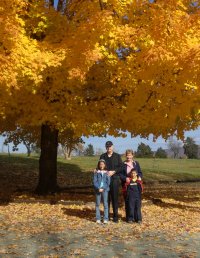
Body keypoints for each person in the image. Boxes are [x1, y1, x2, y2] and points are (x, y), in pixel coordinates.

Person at [100, 141, 123, 223]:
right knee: (106, 199)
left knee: (114, 198)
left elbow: (121, 167)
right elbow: (100, 166)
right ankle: (107, 216)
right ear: (106, 147)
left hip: (114, 180)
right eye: (107, 146)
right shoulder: (102, 156)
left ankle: (115, 216)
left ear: (112, 147)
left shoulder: (117, 156)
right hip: (105, 180)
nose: (108, 148)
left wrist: (114, 171)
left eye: (110, 146)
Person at [119, 149, 143, 222]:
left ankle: (137, 218)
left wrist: (139, 176)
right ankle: (129, 218)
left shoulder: (136, 163)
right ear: (125, 155)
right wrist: (125, 178)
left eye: (130, 155)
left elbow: (140, 172)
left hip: (135, 185)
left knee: (136, 203)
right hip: (127, 186)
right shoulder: (123, 164)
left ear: (132, 155)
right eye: (127, 155)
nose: (128, 156)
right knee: (128, 202)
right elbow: (120, 174)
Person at [93, 159, 110, 224]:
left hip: (105, 190)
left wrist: (103, 188)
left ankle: (105, 219)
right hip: (98, 190)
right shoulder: (96, 172)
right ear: (99, 165)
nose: (101, 165)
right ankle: (98, 218)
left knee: (105, 204)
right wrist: (98, 188)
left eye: (103, 164)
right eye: (100, 164)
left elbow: (108, 182)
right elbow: (94, 181)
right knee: (97, 204)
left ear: (105, 165)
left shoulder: (107, 172)